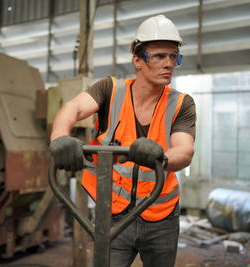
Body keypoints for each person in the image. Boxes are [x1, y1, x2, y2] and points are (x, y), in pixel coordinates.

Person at [49, 15, 196, 267]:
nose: (168, 63)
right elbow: (71, 109)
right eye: (159, 56)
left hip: (161, 216)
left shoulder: (182, 103)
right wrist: (60, 138)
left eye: (174, 57)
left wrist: (161, 157)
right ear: (137, 60)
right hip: (114, 214)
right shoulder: (110, 90)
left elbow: (184, 150)